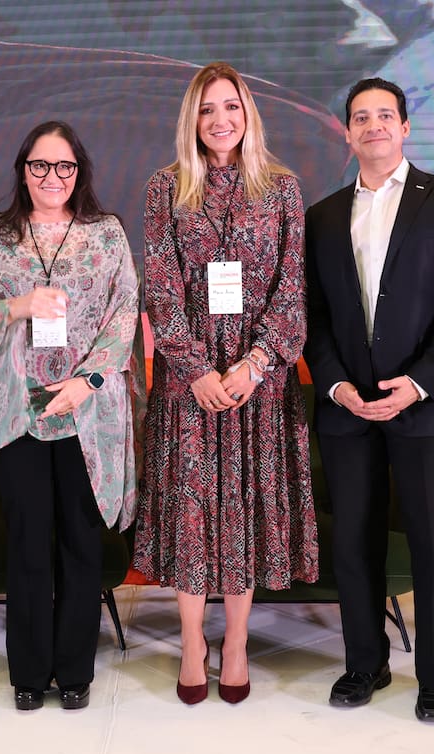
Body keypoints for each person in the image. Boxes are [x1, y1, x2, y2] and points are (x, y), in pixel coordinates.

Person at [303, 77, 434, 723]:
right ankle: (365, 665)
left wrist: (416, 382)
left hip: (426, 404)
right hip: (347, 408)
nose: (374, 125)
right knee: (353, 544)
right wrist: (336, 385)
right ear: (347, 132)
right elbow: (315, 315)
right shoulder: (322, 215)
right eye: (361, 117)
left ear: (405, 127)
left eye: (386, 115)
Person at [132, 62, 319, 705]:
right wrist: (195, 371)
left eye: (230, 106)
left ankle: (235, 642)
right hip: (189, 385)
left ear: (248, 113)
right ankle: (191, 642)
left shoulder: (283, 188)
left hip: (257, 387)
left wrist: (253, 365)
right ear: (192, 118)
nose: (220, 120)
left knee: (241, 511)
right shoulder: (165, 188)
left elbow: (293, 290)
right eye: (207, 109)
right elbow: (158, 285)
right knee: (191, 514)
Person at [0, 120, 143, 712]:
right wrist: (18, 305)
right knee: (29, 545)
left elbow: (125, 316)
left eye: (63, 167)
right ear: (23, 171)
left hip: (86, 412)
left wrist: (85, 383)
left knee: (82, 546)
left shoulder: (106, 234)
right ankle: (29, 673)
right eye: (39, 166)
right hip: (17, 412)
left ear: (78, 172)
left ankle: (76, 672)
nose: (51, 178)